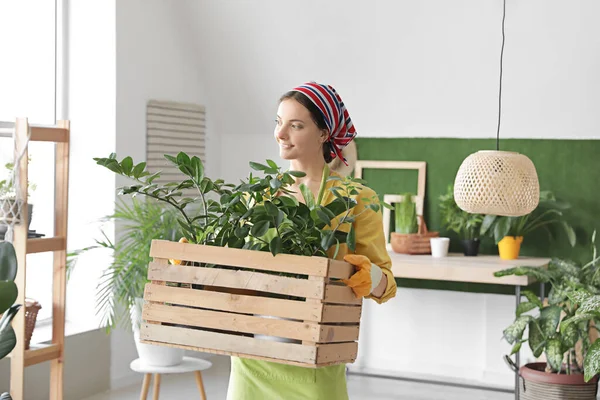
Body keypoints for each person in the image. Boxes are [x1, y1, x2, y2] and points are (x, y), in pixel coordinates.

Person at [226, 82, 397, 400]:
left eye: (296, 125)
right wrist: (197, 265)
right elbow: (241, 276)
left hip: (316, 363)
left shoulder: (355, 199)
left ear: (323, 134)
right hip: (252, 358)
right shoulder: (262, 196)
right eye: (278, 122)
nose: (280, 134)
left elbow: (386, 284)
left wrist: (365, 275)